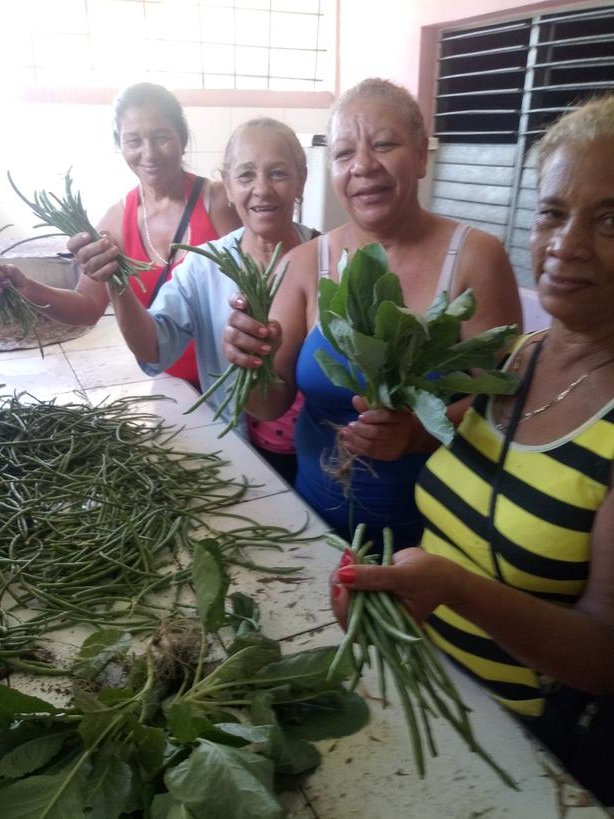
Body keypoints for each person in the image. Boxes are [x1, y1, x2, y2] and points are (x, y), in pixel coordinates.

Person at [330, 94, 614, 806]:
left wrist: (452, 587)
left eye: (610, 220)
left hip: (524, 750)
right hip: (426, 687)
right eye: (552, 213)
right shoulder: (515, 356)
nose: (567, 244)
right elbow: (449, 461)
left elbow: (604, 655)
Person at [221, 78, 523, 546]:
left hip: (437, 541)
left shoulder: (475, 258)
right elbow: (268, 404)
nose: (363, 166)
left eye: (384, 145)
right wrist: (250, 363)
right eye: (343, 154)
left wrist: (420, 434)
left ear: (422, 155)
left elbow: (506, 405)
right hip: (314, 527)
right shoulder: (302, 265)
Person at [67, 117, 317, 485]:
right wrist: (115, 284)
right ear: (228, 187)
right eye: (245, 176)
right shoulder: (203, 267)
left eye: (278, 173)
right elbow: (154, 347)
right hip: (245, 455)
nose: (262, 189)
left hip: (325, 456)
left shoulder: (331, 258)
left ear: (301, 179)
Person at [0, 81, 240, 389]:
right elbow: (88, 306)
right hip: (170, 380)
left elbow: (256, 282)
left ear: (182, 138)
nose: (149, 153)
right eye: (134, 141)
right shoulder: (116, 220)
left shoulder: (218, 202)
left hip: (230, 377)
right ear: (121, 145)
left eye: (161, 137)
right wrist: (28, 287)